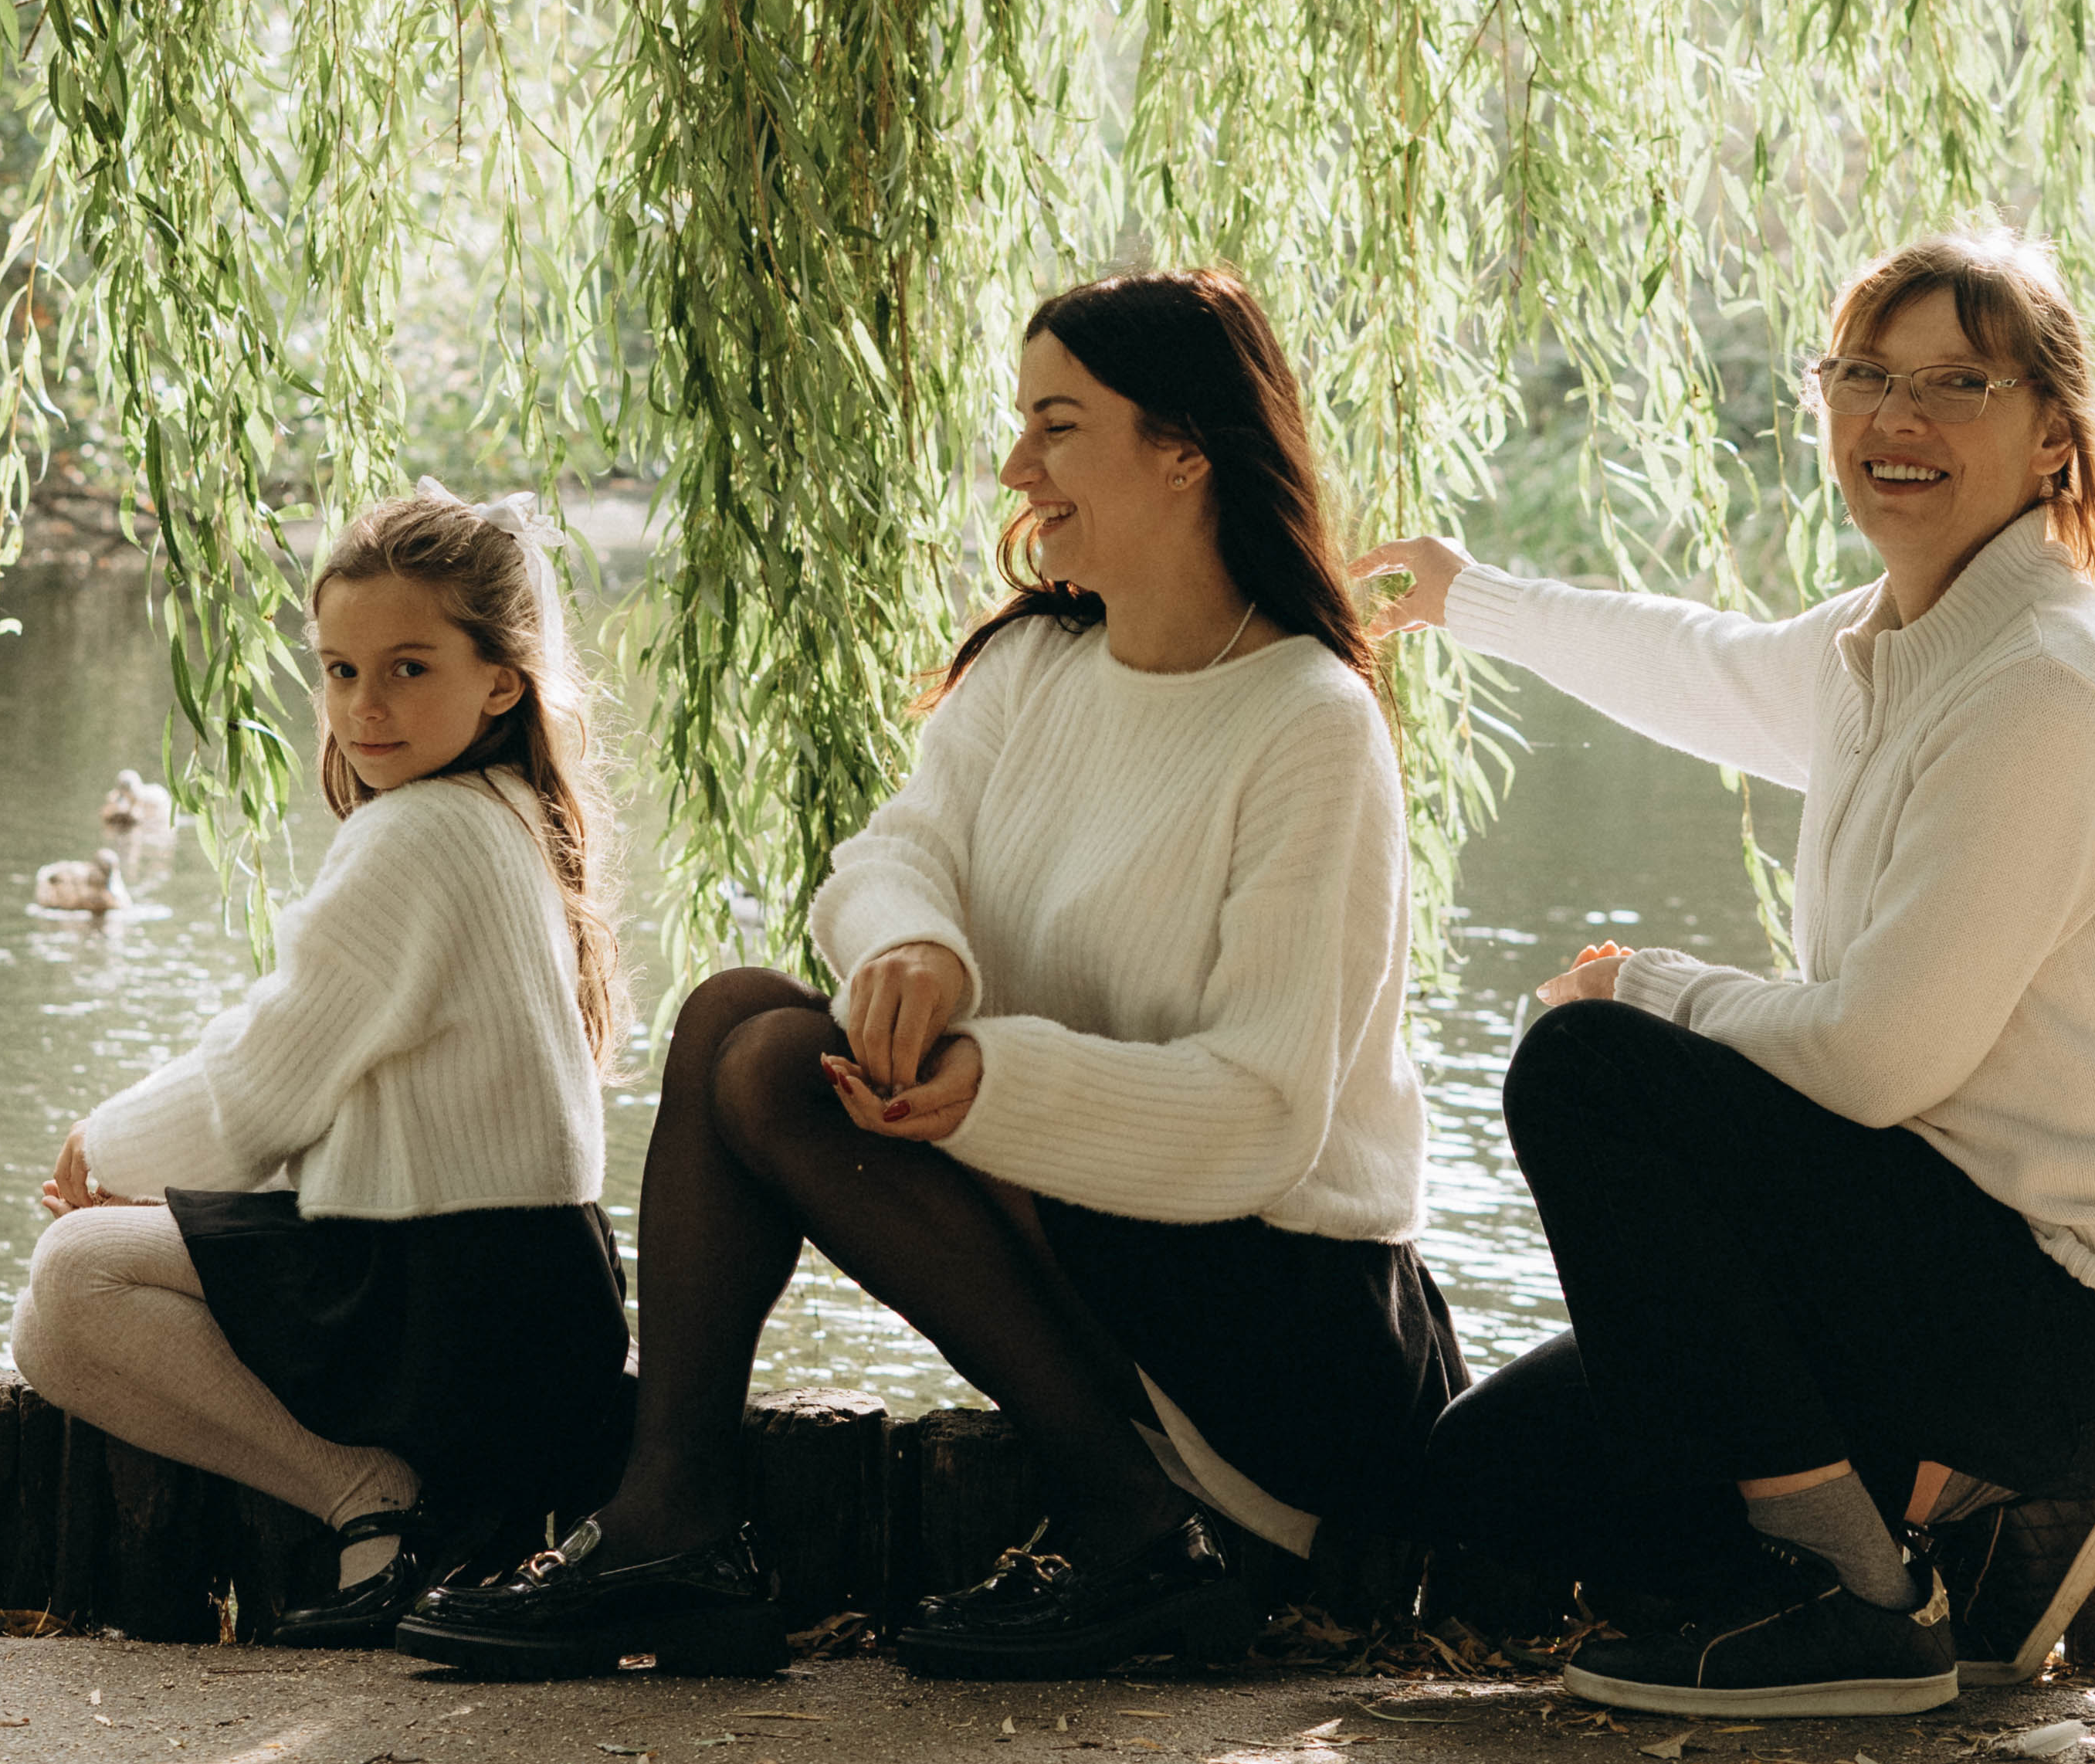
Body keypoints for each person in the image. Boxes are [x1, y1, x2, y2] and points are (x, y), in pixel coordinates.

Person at [402, 266, 1463, 1686]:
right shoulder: (1036, 664)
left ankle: (1140, 1527)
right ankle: (671, 1524)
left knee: (774, 1063)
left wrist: (991, 1084)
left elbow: (1261, 1114)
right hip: (1104, 1243)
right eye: (1022, 425)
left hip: (1286, 1322)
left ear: (1186, 451)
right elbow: (889, 855)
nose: (1018, 466)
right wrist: (917, 948)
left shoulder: (1309, 722)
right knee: (731, 1012)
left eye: (1059, 426)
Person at [1368, 229, 2095, 1718]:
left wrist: (1643, 986)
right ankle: (1966, 1522)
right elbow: (1696, 663)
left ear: (2054, 436)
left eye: (1957, 384)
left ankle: (1846, 1595)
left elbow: (1870, 1058)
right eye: (1862, 374)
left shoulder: (2043, 683)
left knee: (1589, 1070)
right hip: (1947, 1248)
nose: (1895, 416)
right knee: (1485, 1482)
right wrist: (1470, 598)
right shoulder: (1888, 644)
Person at [8, 488, 634, 1645]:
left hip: (458, 1297)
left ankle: (382, 1507)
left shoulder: (420, 834)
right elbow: (307, 1084)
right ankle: (394, 1509)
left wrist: (102, 1148)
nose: (363, 707)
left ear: (502, 681)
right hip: (526, 1294)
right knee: (50, 1329)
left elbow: (254, 1093)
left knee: (75, 1270)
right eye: (340, 671)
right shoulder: (500, 810)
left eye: (408, 669)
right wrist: (166, 1187)